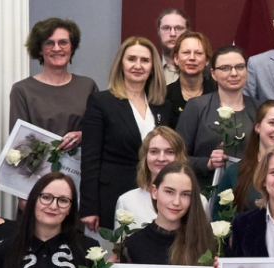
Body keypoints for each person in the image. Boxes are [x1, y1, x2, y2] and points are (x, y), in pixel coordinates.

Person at [80, 38, 170, 231]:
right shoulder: (101, 102)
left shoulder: (162, 105)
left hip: (156, 197)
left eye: (145, 60)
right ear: (121, 64)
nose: (138, 65)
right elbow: (90, 159)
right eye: (131, 59)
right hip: (113, 196)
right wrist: (89, 206)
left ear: (153, 66)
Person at [176, 44, 258, 190]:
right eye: (225, 68)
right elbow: (177, 157)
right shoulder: (196, 107)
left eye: (239, 67)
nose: (234, 73)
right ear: (213, 73)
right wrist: (207, 163)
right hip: (205, 192)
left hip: (250, 193)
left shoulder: (259, 109)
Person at [11, 18, 96, 154]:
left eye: (63, 42)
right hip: (39, 172)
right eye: (49, 43)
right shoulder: (22, 90)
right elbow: (19, 143)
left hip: (82, 170)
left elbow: (99, 131)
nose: (56, 48)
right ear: (39, 49)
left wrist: (81, 135)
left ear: (72, 47)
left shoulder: (87, 86)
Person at [115, 126, 209, 223]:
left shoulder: (199, 202)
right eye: (154, 151)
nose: (161, 158)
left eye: (169, 152)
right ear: (145, 156)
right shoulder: (126, 201)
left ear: (180, 157)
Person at [163, 30, 212, 126]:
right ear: (176, 58)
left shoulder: (217, 95)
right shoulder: (163, 95)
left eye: (198, 53)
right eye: (186, 52)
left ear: (207, 60)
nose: (192, 58)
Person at [157, 8, 191, 83]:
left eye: (178, 28)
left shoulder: (203, 69)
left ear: (188, 32)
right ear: (159, 31)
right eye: (166, 28)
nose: (173, 34)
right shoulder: (149, 68)